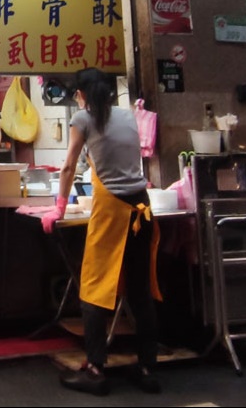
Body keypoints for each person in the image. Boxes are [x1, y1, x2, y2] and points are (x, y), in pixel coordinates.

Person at [41, 67, 162, 396]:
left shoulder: (82, 119)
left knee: (93, 290)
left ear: (80, 94)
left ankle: (95, 370)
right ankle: (148, 368)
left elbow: (68, 165)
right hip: (142, 207)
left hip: (113, 211)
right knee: (139, 291)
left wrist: (59, 207)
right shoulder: (127, 116)